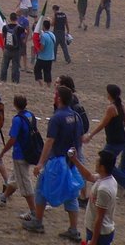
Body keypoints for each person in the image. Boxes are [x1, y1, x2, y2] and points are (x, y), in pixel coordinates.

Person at [22, 85, 84, 240]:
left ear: (59, 99)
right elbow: (80, 139)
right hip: (71, 161)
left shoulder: (57, 118)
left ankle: (38, 222)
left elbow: (50, 141)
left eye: (55, 95)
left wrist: (40, 163)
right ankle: (73, 229)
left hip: (56, 161)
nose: (53, 97)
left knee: (41, 190)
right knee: (71, 194)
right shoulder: (76, 116)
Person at [81, 84, 125, 193]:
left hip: (113, 140)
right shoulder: (122, 105)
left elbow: (103, 124)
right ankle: (119, 181)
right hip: (121, 138)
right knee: (108, 162)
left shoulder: (111, 108)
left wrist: (90, 135)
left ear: (109, 94)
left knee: (106, 163)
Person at [0, 94, 38, 219]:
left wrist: (2, 153)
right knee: (14, 178)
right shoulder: (30, 115)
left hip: (20, 154)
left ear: (14, 104)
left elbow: (12, 139)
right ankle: (3, 197)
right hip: (30, 151)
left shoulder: (17, 119)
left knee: (24, 182)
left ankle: (33, 211)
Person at [69, 149, 119, 245]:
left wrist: (94, 240)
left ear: (102, 167)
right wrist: (75, 160)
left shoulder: (104, 189)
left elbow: (100, 217)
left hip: (100, 234)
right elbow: (89, 176)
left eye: (97, 162)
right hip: (100, 232)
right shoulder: (107, 178)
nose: (95, 163)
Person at [33, 19, 56, 86]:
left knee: (37, 70)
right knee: (47, 72)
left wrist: (37, 48)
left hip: (42, 58)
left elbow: (42, 48)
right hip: (50, 57)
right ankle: (48, 86)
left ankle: (41, 84)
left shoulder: (44, 36)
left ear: (43, 26)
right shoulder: (53, 35)